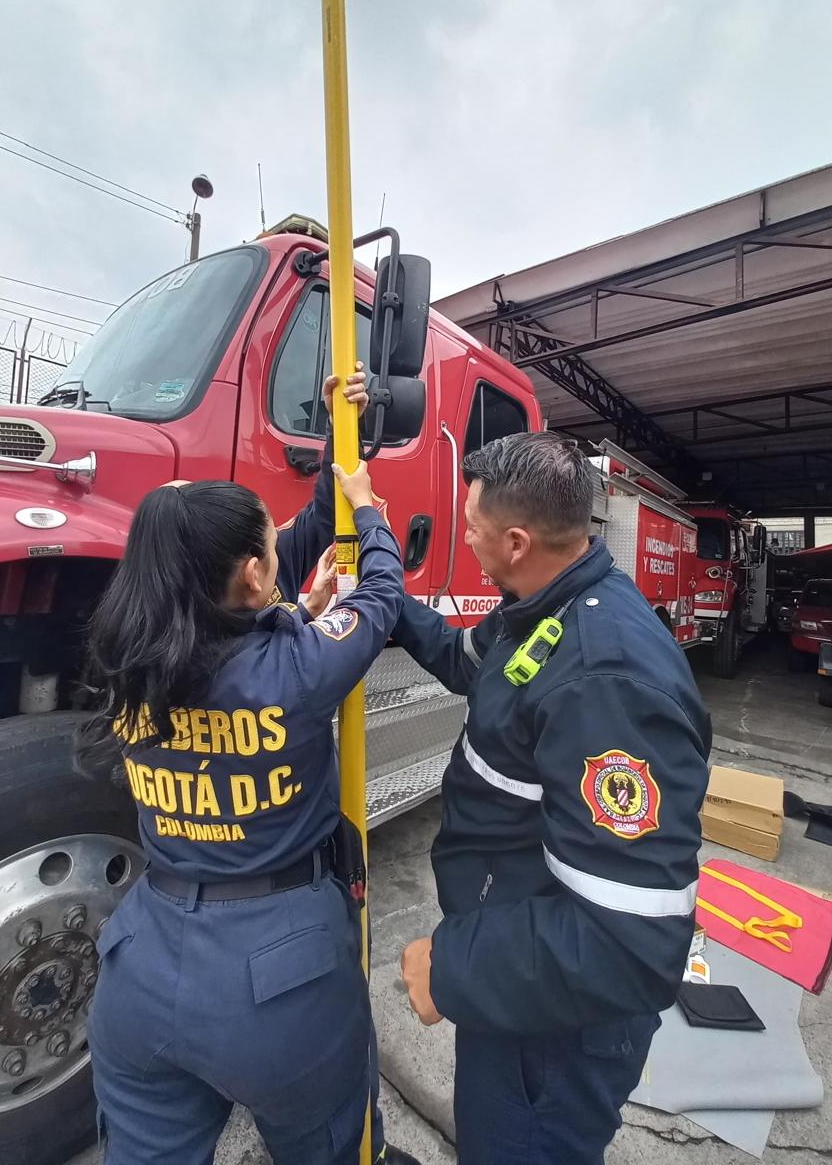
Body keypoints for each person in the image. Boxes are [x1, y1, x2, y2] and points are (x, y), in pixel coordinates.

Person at [81, 370, 417, 1165]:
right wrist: (368, 508)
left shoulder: (129, 665)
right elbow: (381, 595)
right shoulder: (297, 667)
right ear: (253, 577)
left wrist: (339, 436)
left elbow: (228, 656)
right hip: (278, 985)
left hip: (139, 968)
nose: (281, 550)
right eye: (272, 547)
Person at [395, 432, 712, 1165]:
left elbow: (630, 946)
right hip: (522, 979)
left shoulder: (604, 682)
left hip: (557, 1032)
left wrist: (453, 965)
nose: (463, 539)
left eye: (471, 527)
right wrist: (384, 598)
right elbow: (463, 661)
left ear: (515, 542)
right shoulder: (543, 607)